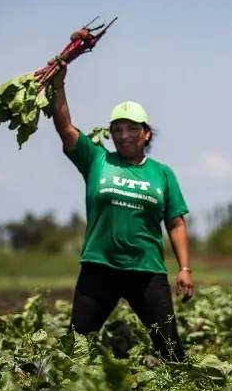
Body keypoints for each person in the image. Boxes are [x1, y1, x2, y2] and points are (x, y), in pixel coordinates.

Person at [49, 61, 195, 362]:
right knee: (75, 349)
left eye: (132, 129)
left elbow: (176, 223)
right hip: (99, 268)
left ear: (146, 134)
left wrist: (184, 268)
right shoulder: (97, 160)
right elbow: (65, 128)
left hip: (147, 271)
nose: (124, 135)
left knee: (171, 352)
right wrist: (58, 85)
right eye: (118, 129)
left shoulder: (162, 174)